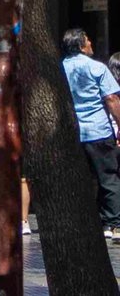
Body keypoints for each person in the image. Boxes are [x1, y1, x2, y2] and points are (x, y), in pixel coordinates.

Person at [61, 27, 120, 238]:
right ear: (81, 46)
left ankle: (81, 221)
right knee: (108, 178)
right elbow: (111, 99)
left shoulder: (60, 68)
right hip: (98, 131)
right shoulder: (97, 68)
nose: (91, 45)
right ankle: (114, 224)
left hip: (72, 133)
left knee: (79, 179)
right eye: (88, 42)